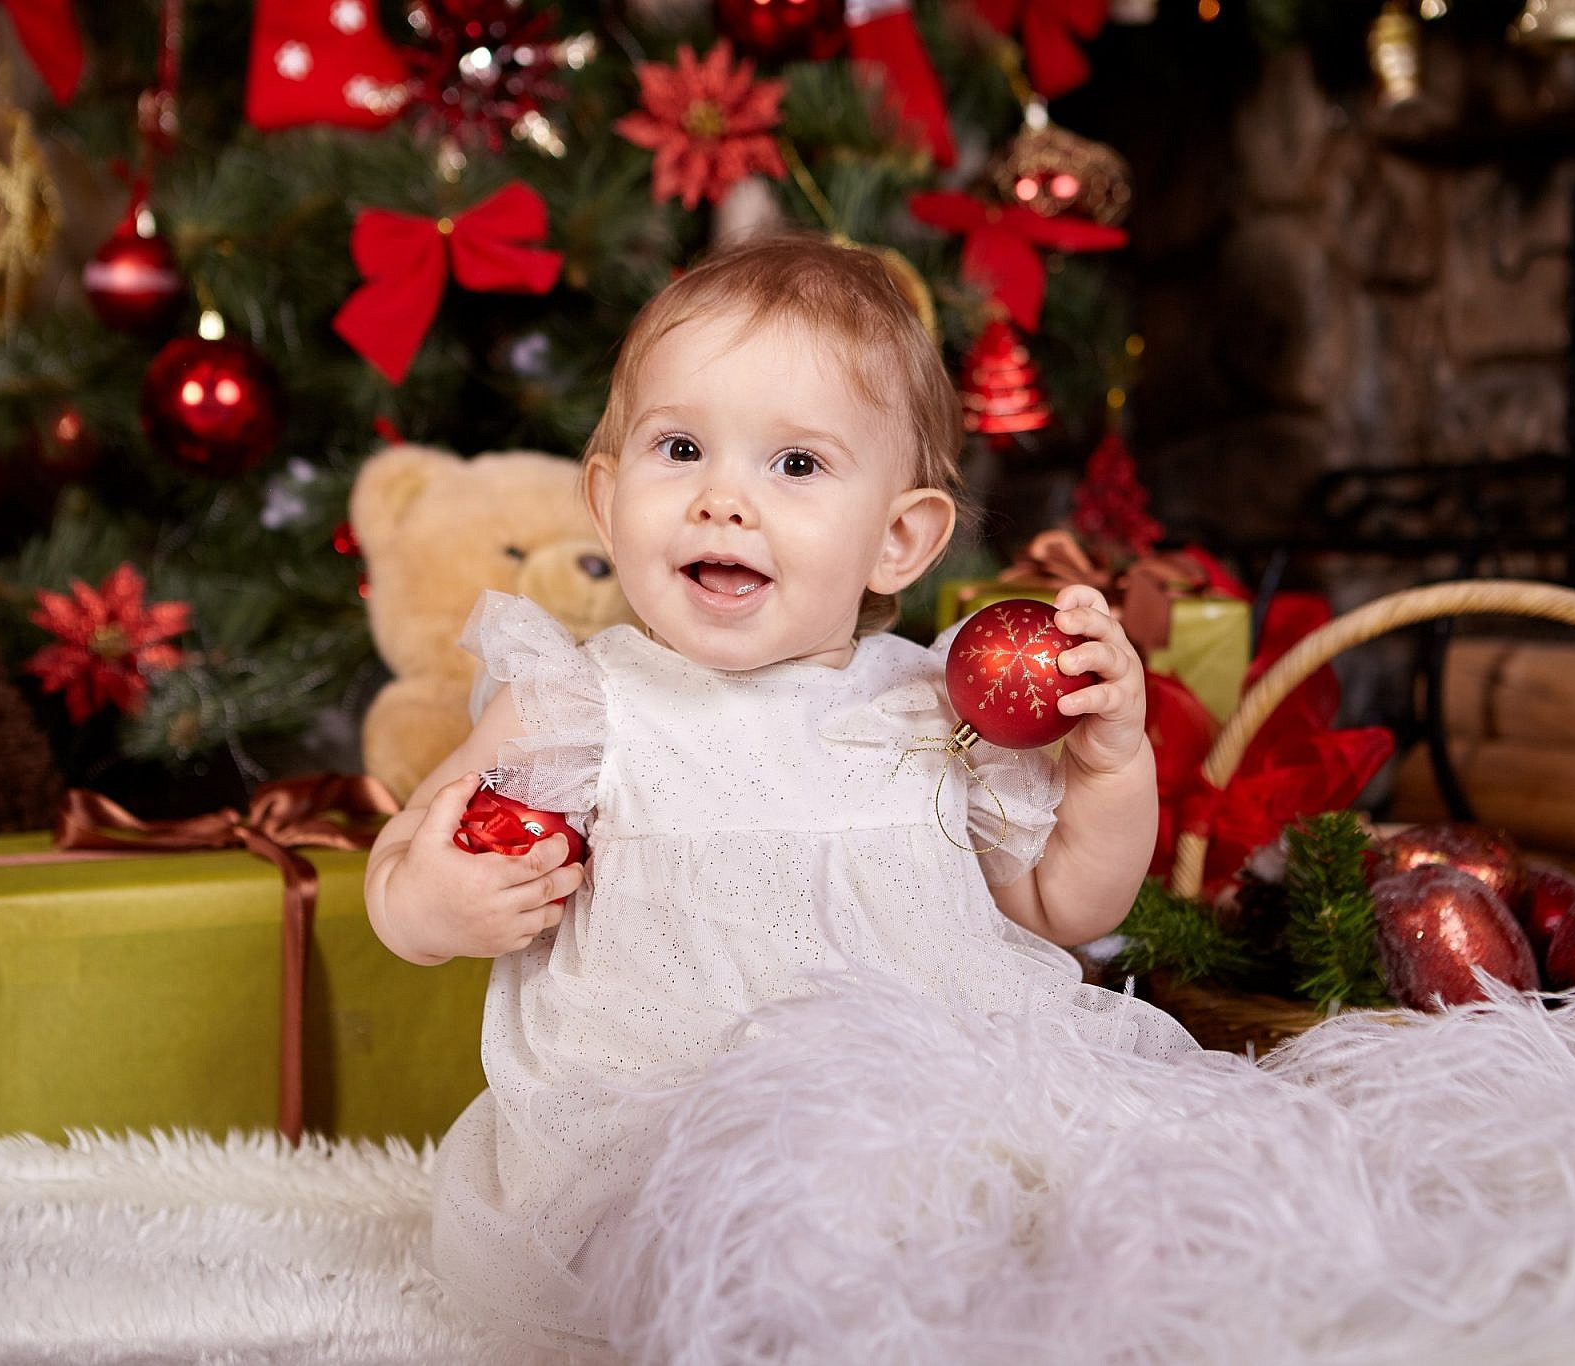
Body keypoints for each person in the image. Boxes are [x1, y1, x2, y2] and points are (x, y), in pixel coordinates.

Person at [363, 233, 1199, 1360]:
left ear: (897, 540)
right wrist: (430, 905)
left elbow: (1062, 908)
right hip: (655, 1142)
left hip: (918, 1115)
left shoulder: (938, 709)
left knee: (1033, 1224)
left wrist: (1109, 766)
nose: (722, 501)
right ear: (607, 501)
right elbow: (403, 855)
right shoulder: (585, 703)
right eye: (680, 448)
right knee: (706, 1281)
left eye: (794, 466)